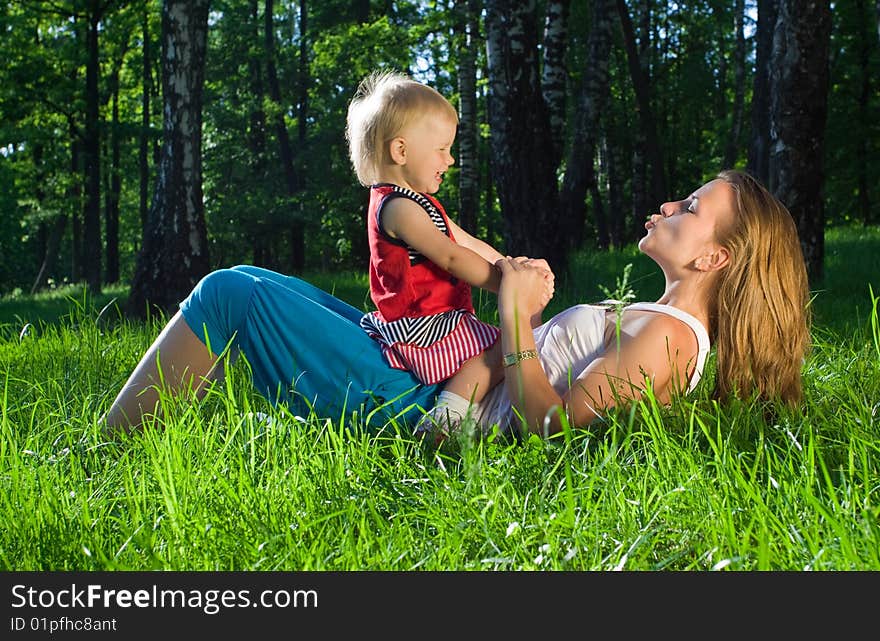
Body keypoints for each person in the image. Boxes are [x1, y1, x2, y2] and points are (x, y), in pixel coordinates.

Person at [103, 170, 811, 439]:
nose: (667, 204)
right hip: (440, 383)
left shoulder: (670, 338)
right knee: (249, 275)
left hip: (426, 412)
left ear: (712, 258)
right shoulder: (664, 325)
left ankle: (105, 450)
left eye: (689, 207)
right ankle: (167, 424)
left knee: (229, 294)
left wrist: (512, 312)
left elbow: (554, 425)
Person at [345, 69, 553, 418]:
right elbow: (452, 257)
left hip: (441, 319)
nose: (450, 160)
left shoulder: (415, 201)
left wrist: (512, 266)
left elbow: (465, 241)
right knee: (502, 348)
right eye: (442, 150)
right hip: (424, 328)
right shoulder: (397, 208)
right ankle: (445, 420)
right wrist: (508, 286)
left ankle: (483, 405)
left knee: (511, 342)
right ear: (400, 150)